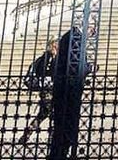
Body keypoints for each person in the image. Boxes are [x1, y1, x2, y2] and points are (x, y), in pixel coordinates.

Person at [47, 26, 90, 160]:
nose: (93, 32)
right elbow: (75, 65)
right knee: (66, 125)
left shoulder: (70, 36)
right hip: (68, 89)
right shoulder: (75, 37)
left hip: (64, 88)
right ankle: (60, 154)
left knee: (62, 125)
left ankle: (59, 153)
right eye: (92, 28)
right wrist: (89, 68)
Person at [20, 38, 57, 147]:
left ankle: (29, 131)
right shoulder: (49, 59)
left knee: (43, 114)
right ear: (53, 45)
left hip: (46, 89)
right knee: (53, 114)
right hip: (49, 90)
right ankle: (53, 139)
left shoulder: (42, 58)